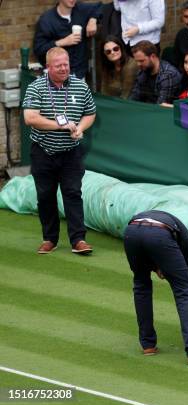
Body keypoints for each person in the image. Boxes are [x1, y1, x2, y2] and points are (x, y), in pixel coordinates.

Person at [22, 47, 96, 255]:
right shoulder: (35, 87)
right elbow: (30, 118)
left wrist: (80, 129)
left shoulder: (81, 87)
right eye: (58, 66)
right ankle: (49, 239)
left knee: (73, 193)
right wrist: (61, 125)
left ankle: (78, 240)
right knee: (45, 195)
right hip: (43, 152)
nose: (64, 68)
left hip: (71, 153)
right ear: (48, 67)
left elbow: (90, 114)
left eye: (66, 64)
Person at [123, 210, 188, 366]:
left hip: (131, 231)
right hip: (159, 233)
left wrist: (157, 265)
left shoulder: (179, 237)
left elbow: (148, 245)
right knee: (186, 292)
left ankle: (148, 345)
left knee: (141, 285)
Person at [33, 0, 101, 79]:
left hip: (80, 74)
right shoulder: (47, 20)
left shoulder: (81, 9)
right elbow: (39, 49)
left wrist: (93, 20)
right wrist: (61, 42)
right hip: (57, 77)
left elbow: (99, 7)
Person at [129, 40, 182, 105]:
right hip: (146, 108)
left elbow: (161, 105)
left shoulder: (168, 75)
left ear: (153, 56)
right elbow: (135, 95)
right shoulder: (143, 71)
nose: (138, 64)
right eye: (136, 61)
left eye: (141, 61)